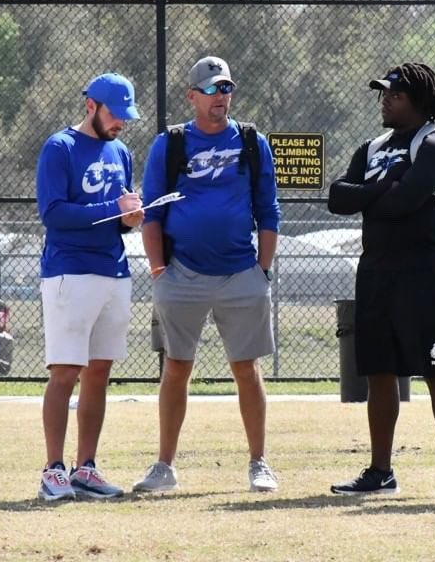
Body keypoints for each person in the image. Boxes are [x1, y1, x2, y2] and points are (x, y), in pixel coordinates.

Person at [133, 55, 281, 493]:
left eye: (227, 88)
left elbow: (269, 210)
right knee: (177, 366)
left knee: (246, 368)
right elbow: (152, 214)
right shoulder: (171, 143)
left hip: (241, 275)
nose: (222, 96)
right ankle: (164, 467)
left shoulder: (253, 142)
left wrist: (262, 271)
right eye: (213, 89)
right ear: (192, 96)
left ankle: (259, 462)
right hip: (183, 275)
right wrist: (159, 270)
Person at [327, 62, 435, 497]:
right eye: (383, 93)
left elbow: (406, 201)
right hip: (375, 270)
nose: (384, 100)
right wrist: (382, 186)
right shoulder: (373, 148)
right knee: (379, 371)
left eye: (394, 94)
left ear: (419, 102)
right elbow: (336, 198)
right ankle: (380, 472)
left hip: (423, 269)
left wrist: (372, 194)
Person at [34, 72, 145, 502]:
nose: (120, 124)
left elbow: (120, 213)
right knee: (65, 371)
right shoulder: (59, 147)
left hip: (113, 271)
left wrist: (131, 218)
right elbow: (54, 212)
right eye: (115, 115)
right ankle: (54, 470)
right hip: (69, 271)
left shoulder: (121, 152)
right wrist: (111, 209)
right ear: (91, 107)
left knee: (100, 371)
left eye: (125, 116)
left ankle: (87, 468)